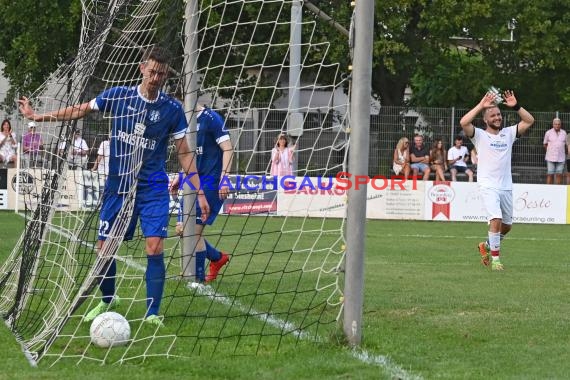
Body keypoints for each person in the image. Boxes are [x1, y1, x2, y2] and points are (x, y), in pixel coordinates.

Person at [18, 46, 209, 326]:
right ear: (142, 68)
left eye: (161, 74)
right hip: (118, 186)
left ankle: (153, 313)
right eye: (152, 71)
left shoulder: (172, 110)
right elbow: (80, 110)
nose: (156, 77)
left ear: (166, 76)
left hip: (152, 187)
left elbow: (184, 152)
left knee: (154, 247)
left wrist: (200, 191)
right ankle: (108, 300)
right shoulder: (117, 95)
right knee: (105, 248)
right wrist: (38, 117)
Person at [460, 90, 534, 271]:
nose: (497, 117)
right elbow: (464, 122)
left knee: (507, 226)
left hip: (506, 186)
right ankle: (496, 261)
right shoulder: (478, 135)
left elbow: (529, 121)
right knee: (496, 219)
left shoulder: (509, 133)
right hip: (488, 185)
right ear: (486, 119)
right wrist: (481, 105)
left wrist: (516, 106)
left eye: (499, 114)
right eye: (492, 115)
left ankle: (485, 245)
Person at [171, 105, 232, 283]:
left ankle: (196, 280)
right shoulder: (184, 120)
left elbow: (228, 149)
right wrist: (180, 176)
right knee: (182, 230)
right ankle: (217, 258)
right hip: (192, 182)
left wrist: (225, 179)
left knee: (194, 232)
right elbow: (189, 156)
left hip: (211, 183)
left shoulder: (211, 118)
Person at [543, 118, 566, 185]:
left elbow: (566, 144)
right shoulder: (548, 133)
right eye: (555, 124)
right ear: (553, 124)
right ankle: (549, 190)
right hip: (550, 157)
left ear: (560, 125)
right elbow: (545, 144)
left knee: (559, 175)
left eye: (558, 124)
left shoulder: (564, 133)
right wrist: (549, 151)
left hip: (561, 158)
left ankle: (558, 191)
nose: (557, 126)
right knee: (550, 174)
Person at [91, 137, 110, 204]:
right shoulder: (105, 143)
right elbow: (100, 156)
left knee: (103, 189)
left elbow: (99, 156)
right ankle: (101, 203)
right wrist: (94, 168)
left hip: (106, 172)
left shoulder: (106, 143)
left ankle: (101, 203)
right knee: (103, 189)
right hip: (105, 171)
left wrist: (94, 168)